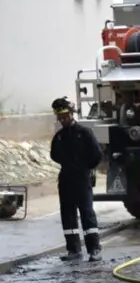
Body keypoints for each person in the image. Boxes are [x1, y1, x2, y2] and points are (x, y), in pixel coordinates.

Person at [49, 97, 103, 262]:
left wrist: (85, 168)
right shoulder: (59, 137)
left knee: (87, 213)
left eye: (65, 116)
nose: (63, 119)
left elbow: (97, 155)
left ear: (72, 114)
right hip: (65, 179)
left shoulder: (84, 133)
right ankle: (73, 250)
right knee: (68, 214)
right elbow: (54, 155)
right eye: (60, 117)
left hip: (81, 179)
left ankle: (94, 249)